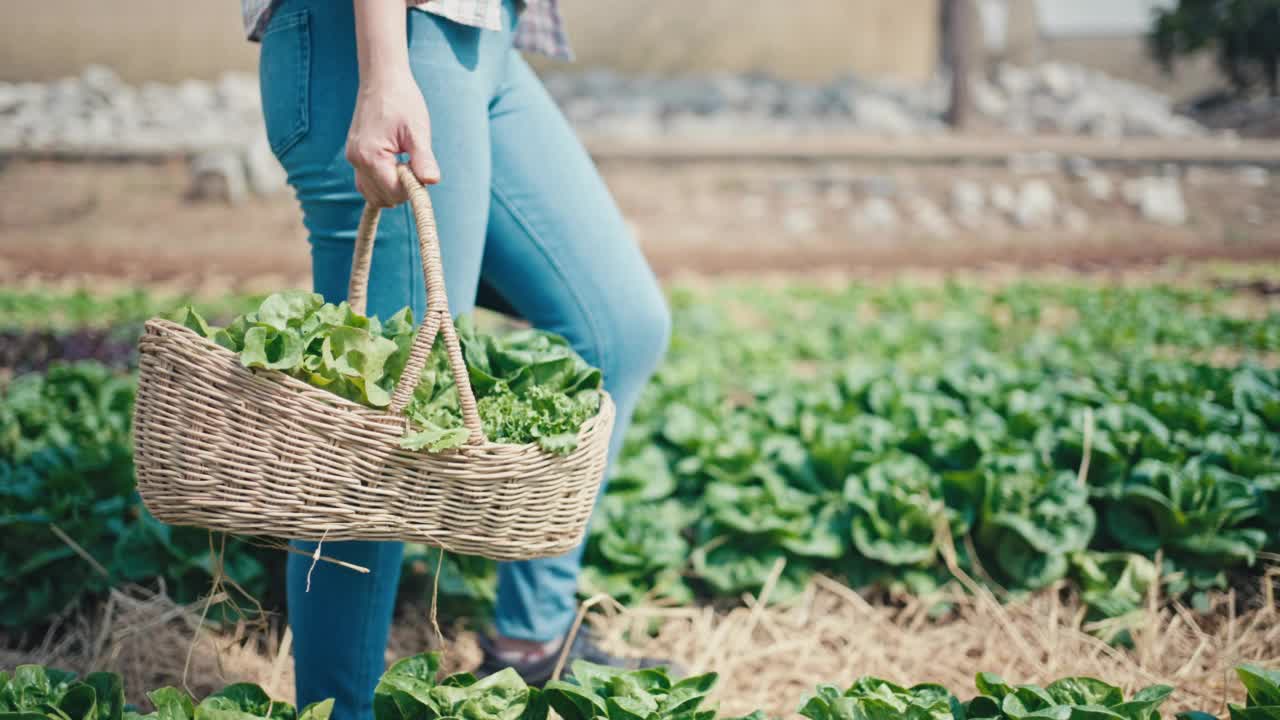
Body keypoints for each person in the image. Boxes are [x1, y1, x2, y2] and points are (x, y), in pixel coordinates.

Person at [243, 0, 673, 717]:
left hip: (478, 39)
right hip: (379, 40)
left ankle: (532, 642)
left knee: (618, 324)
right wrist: (383, 74)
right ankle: (338, 708)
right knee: (379, 430)